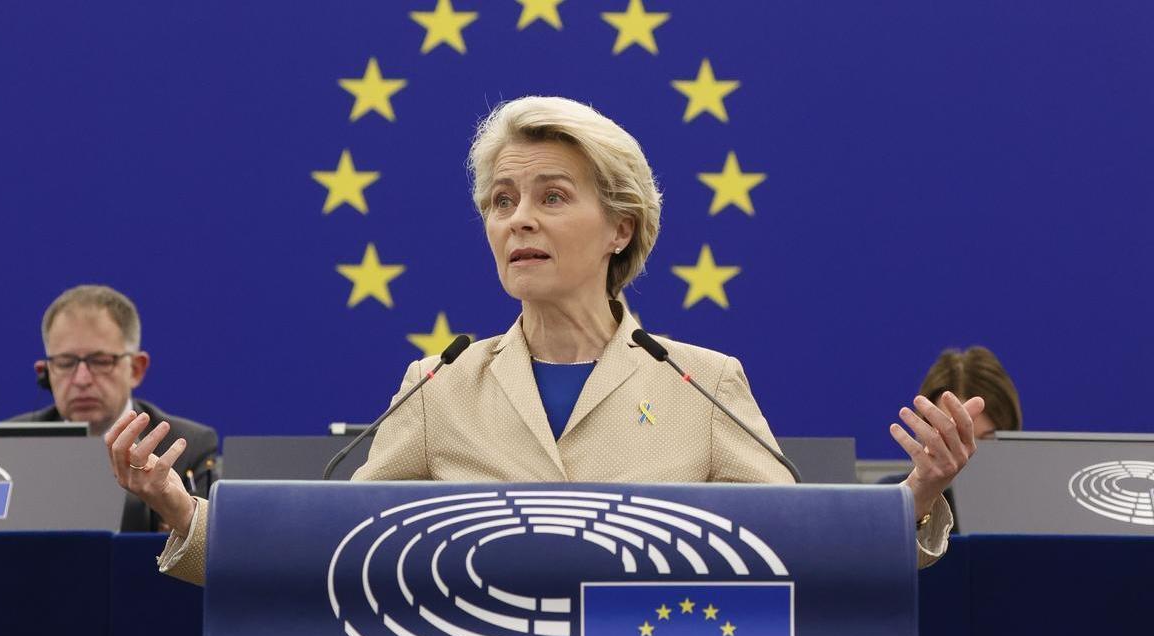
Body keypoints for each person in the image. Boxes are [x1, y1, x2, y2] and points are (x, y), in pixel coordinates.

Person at [107, 96, 982, 585]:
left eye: (552, 196)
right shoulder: (439, 384)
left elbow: (813, 554)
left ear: (620, 229)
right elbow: (317, 558)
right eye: (501, 200)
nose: (518, 219)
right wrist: (179, 508)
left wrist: (919, 490)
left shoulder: (701, 382)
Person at [13, 284, 217, 531]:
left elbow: (214, 551)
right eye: (66, 363)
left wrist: (178, 513)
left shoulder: (185, 447)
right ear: (45, 372)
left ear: (136, 369)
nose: (81, 379)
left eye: (100, 361)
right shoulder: (10, 446)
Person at [879, 345, 1022, 533]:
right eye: (953, 437)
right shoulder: (891, 497)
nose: (968, 453)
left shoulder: (1033, 500)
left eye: (987, 440)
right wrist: (915, 503)